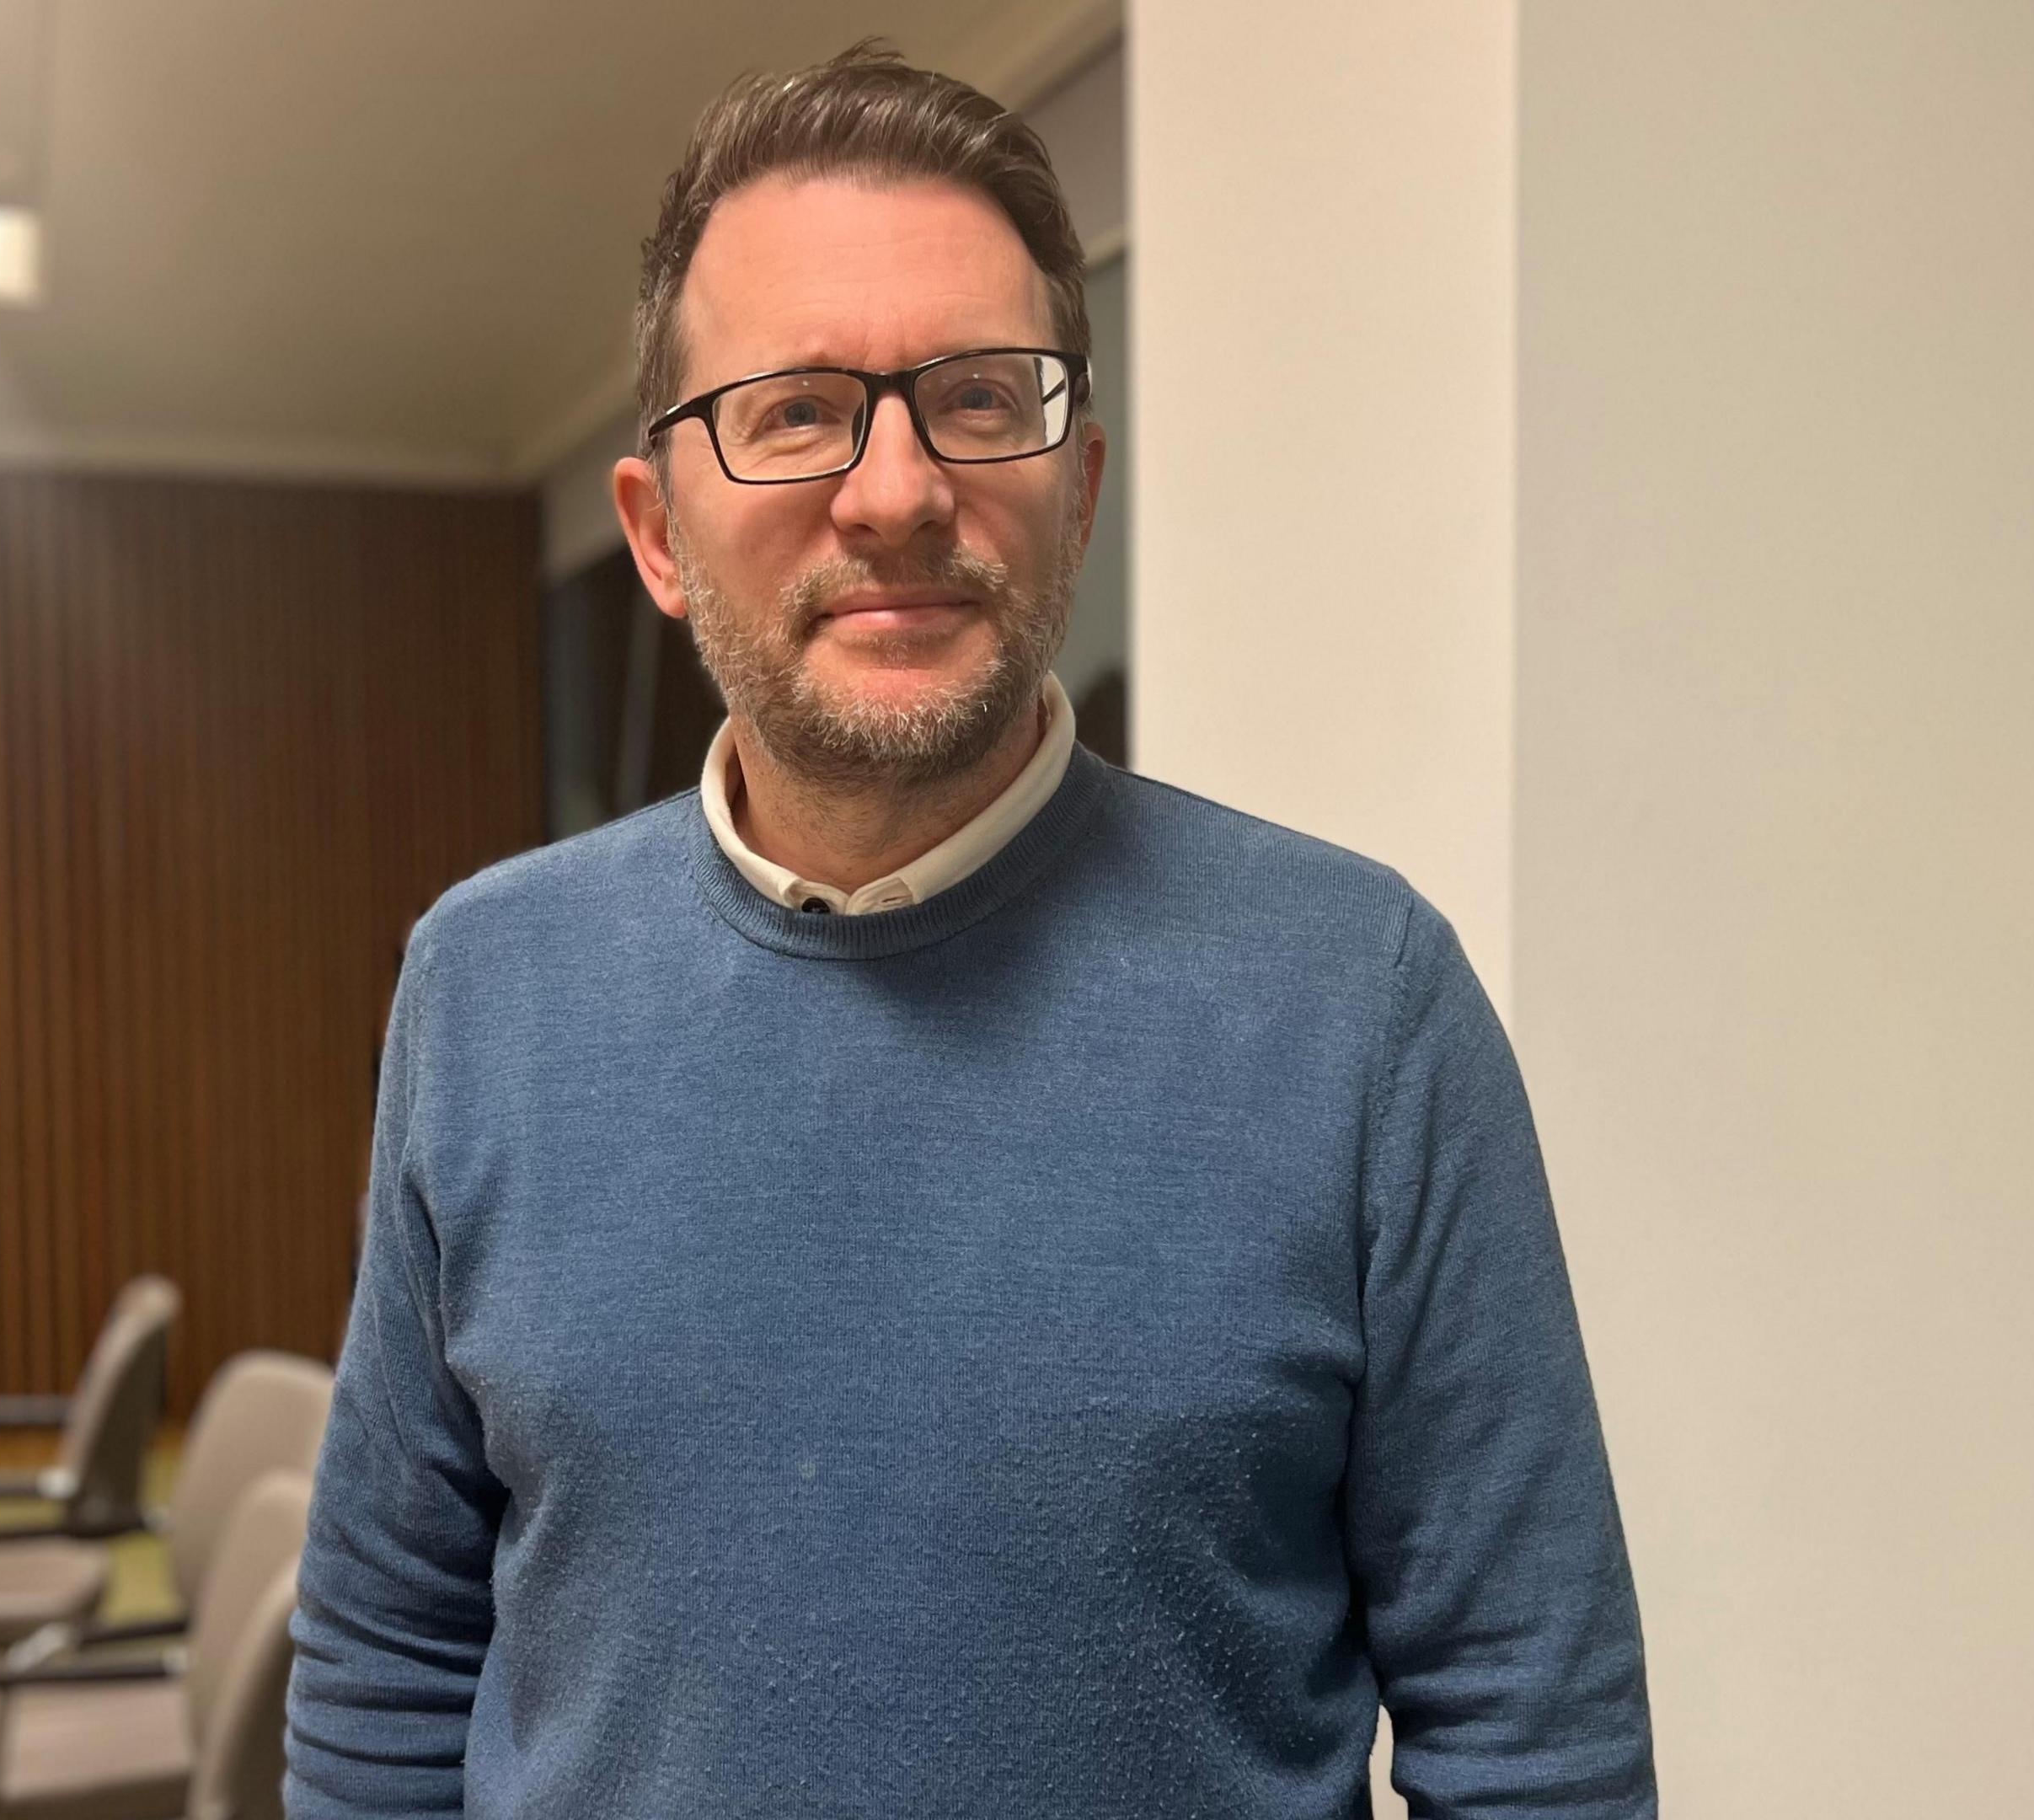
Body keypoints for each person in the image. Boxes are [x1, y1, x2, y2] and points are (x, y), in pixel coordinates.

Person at [285, 42, 1656, 1819]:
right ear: (657, 532)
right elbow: (388, 1670)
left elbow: (1536, 1739)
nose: (898, 491)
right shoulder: (486, 988)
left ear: (1080, 484)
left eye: (984, 399)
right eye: (793, 410)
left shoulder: (1361, 1009)